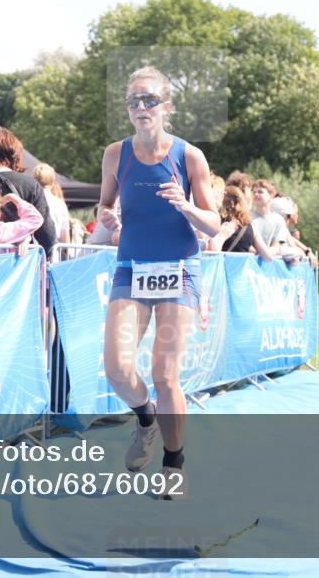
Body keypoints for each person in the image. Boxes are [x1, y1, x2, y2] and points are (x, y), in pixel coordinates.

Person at [98, 66, 219, 500]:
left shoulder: (189, 157)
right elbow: (104, 209)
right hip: (132, 267)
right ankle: (145, 419)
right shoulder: (116, 154)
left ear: (167, 107)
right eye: (133, 101)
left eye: (149, 100)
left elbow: (213, 223)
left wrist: (186, 206)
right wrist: (107, 219)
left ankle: (174, 461)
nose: (140, 107)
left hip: (179, 268)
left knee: (165, 374)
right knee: (116, 368)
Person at [205, 186, 274, 261]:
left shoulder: (216, 223)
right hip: (241, 271)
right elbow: (268, 257)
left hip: (220, 270)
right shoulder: (251, 227)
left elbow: (209, 252)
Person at [32, 162, 71, 245]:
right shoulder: (61, 204)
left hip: (33, 251)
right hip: (54, 251)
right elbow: (65, 238)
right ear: (53, 182)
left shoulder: (30, 201)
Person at [250, 179, 290, 255]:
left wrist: (266, 254)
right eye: (254, 192)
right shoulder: (246, 217)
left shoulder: (279, 220)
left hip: (268, 263)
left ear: (271, 195)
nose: (256, 194)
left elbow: (276, 246)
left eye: (260, 192)